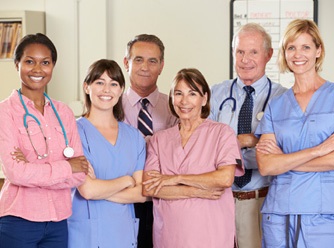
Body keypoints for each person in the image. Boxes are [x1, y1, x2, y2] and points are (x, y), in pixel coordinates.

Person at [0, 33, 88, 248]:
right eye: (30, 61)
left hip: (58, 221)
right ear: (17, 64)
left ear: (53, 66)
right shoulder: (5, 112)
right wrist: (66, 167)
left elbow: (80, 174)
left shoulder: (64, 112)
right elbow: (15, 173)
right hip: (19, 221)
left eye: (45, 62)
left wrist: (33, 169)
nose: (38, 69)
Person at [143, 68, 244, 247]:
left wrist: (175, 179)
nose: (184, 101)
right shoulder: (159, 139)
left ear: (204, 98)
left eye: (192, 93)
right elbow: (150, 188)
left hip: (211, 233)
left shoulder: (222, 133)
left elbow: (224, 178)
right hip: (169, 235)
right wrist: (197, 191)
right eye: (178, 93)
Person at [255, 19, 334, 248]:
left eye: (305, 47)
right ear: (284, 53)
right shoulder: (276, 105)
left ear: (318, 50)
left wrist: (284, 160)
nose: (298, 54)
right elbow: (267, 166)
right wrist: (318, 151)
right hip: (278, 215)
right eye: (291, 47)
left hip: (324, 216)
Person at [209, 23, 287, 248]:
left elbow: (277, 155)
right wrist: (252, 141)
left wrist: (233, 149)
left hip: (259, 201)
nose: (245, 59)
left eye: (253, 52)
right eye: (240, 52)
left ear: (269, 55)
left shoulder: (282, 99)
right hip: (219, 200)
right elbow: (206, 150)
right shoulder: (216, 94)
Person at [67, 59, 147, 248]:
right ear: (87, 87)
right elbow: (87, 189)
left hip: (123, 234)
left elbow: (142, 193)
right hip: (86, 236)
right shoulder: (74, 132)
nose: (106, 90)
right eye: (99, 83)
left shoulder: (134, 137)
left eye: (113, 84)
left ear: (120, 90)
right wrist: (126, 181)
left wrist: (99, 190)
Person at [122, 34, 178, 247]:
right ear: (126, 62)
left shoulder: (176, 107)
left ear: (161, 66)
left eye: (152, 60)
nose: (145, 67)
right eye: (138, 59)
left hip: (163, 201)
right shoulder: (110, 105)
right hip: (123, 200)